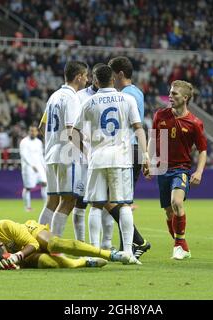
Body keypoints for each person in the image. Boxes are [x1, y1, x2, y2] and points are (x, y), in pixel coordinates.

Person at [72, 65, 149, 265]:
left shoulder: (89, 102)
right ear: (113, 79)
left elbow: (73, 132)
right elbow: (138, 129)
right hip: (121, 159)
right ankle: (129, 253)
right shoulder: (128, 99)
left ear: (95, 81)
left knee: (96, 206)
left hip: (97, 159)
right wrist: (147, 154)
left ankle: (96, 253)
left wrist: (87, 152)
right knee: (123, 205)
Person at [147, 80, 207, 260]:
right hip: (162, 168)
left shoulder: (194, 123)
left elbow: (203, 150)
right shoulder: (161, 115)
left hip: (181, 169)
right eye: (170, 93)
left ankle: (178, 246)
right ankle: (182, 244)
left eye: (175, 94)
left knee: (177, 202)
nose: (170, 96)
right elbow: (153, 139)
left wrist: (199, 172)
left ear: (185, 98)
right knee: (168, 211)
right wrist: (148, 161)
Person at [37, 61, 88, 237]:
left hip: (51, 154)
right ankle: (54, 244)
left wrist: (52, 143)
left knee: (52, 201)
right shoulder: (72, 98)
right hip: (67, 156)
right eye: (86, 76)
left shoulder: (54, 96)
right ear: (79, 76)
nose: (87, 80)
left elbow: (42, 127)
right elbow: (70, 131)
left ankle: (37, 240)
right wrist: (87, 152)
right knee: (68, 200)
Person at [107, 56, 151, 258]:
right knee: (122, 200)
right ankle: (129, 246)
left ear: (120, 74)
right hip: (135, 150)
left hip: (127, 149)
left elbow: (128, 125)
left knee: (111, 199)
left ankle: (138, 242)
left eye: (112, 74)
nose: (110, 78)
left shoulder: (124, 95)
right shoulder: (137, 92)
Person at [72, 63, 115, 249]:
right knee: (80, 202)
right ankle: (81, 243)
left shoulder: (115, 97)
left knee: (107, 201)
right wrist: (84, 151)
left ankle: (106, 244)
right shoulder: (80, 97)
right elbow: (73, 130)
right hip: (83, 156)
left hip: (107, 156)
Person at [0, 219, 135, 270]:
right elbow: (1, 265)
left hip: (31, 234)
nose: (7, 256)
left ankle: (110, 254)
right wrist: (10, 265)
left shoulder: (4, 226)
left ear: (2, 244)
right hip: (23, 254)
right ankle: (84, 262)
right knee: (47, 262)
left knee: (54, 243)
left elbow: (33, 243)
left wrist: (17, 255)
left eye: (6, 253)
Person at [19, 125, 47, 212]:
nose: (33, 132)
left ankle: (46, 205)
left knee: (44, 183)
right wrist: (31, 165)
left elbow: (41, 155)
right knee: (28, 187)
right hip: (28, 168)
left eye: (35, 131)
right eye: (31, 131)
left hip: (39, 166)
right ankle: (27, 207)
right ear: (29, 131)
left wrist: (45, 166)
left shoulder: (39, 142)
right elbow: (23, 155)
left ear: (37, 132)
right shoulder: (24, 142)